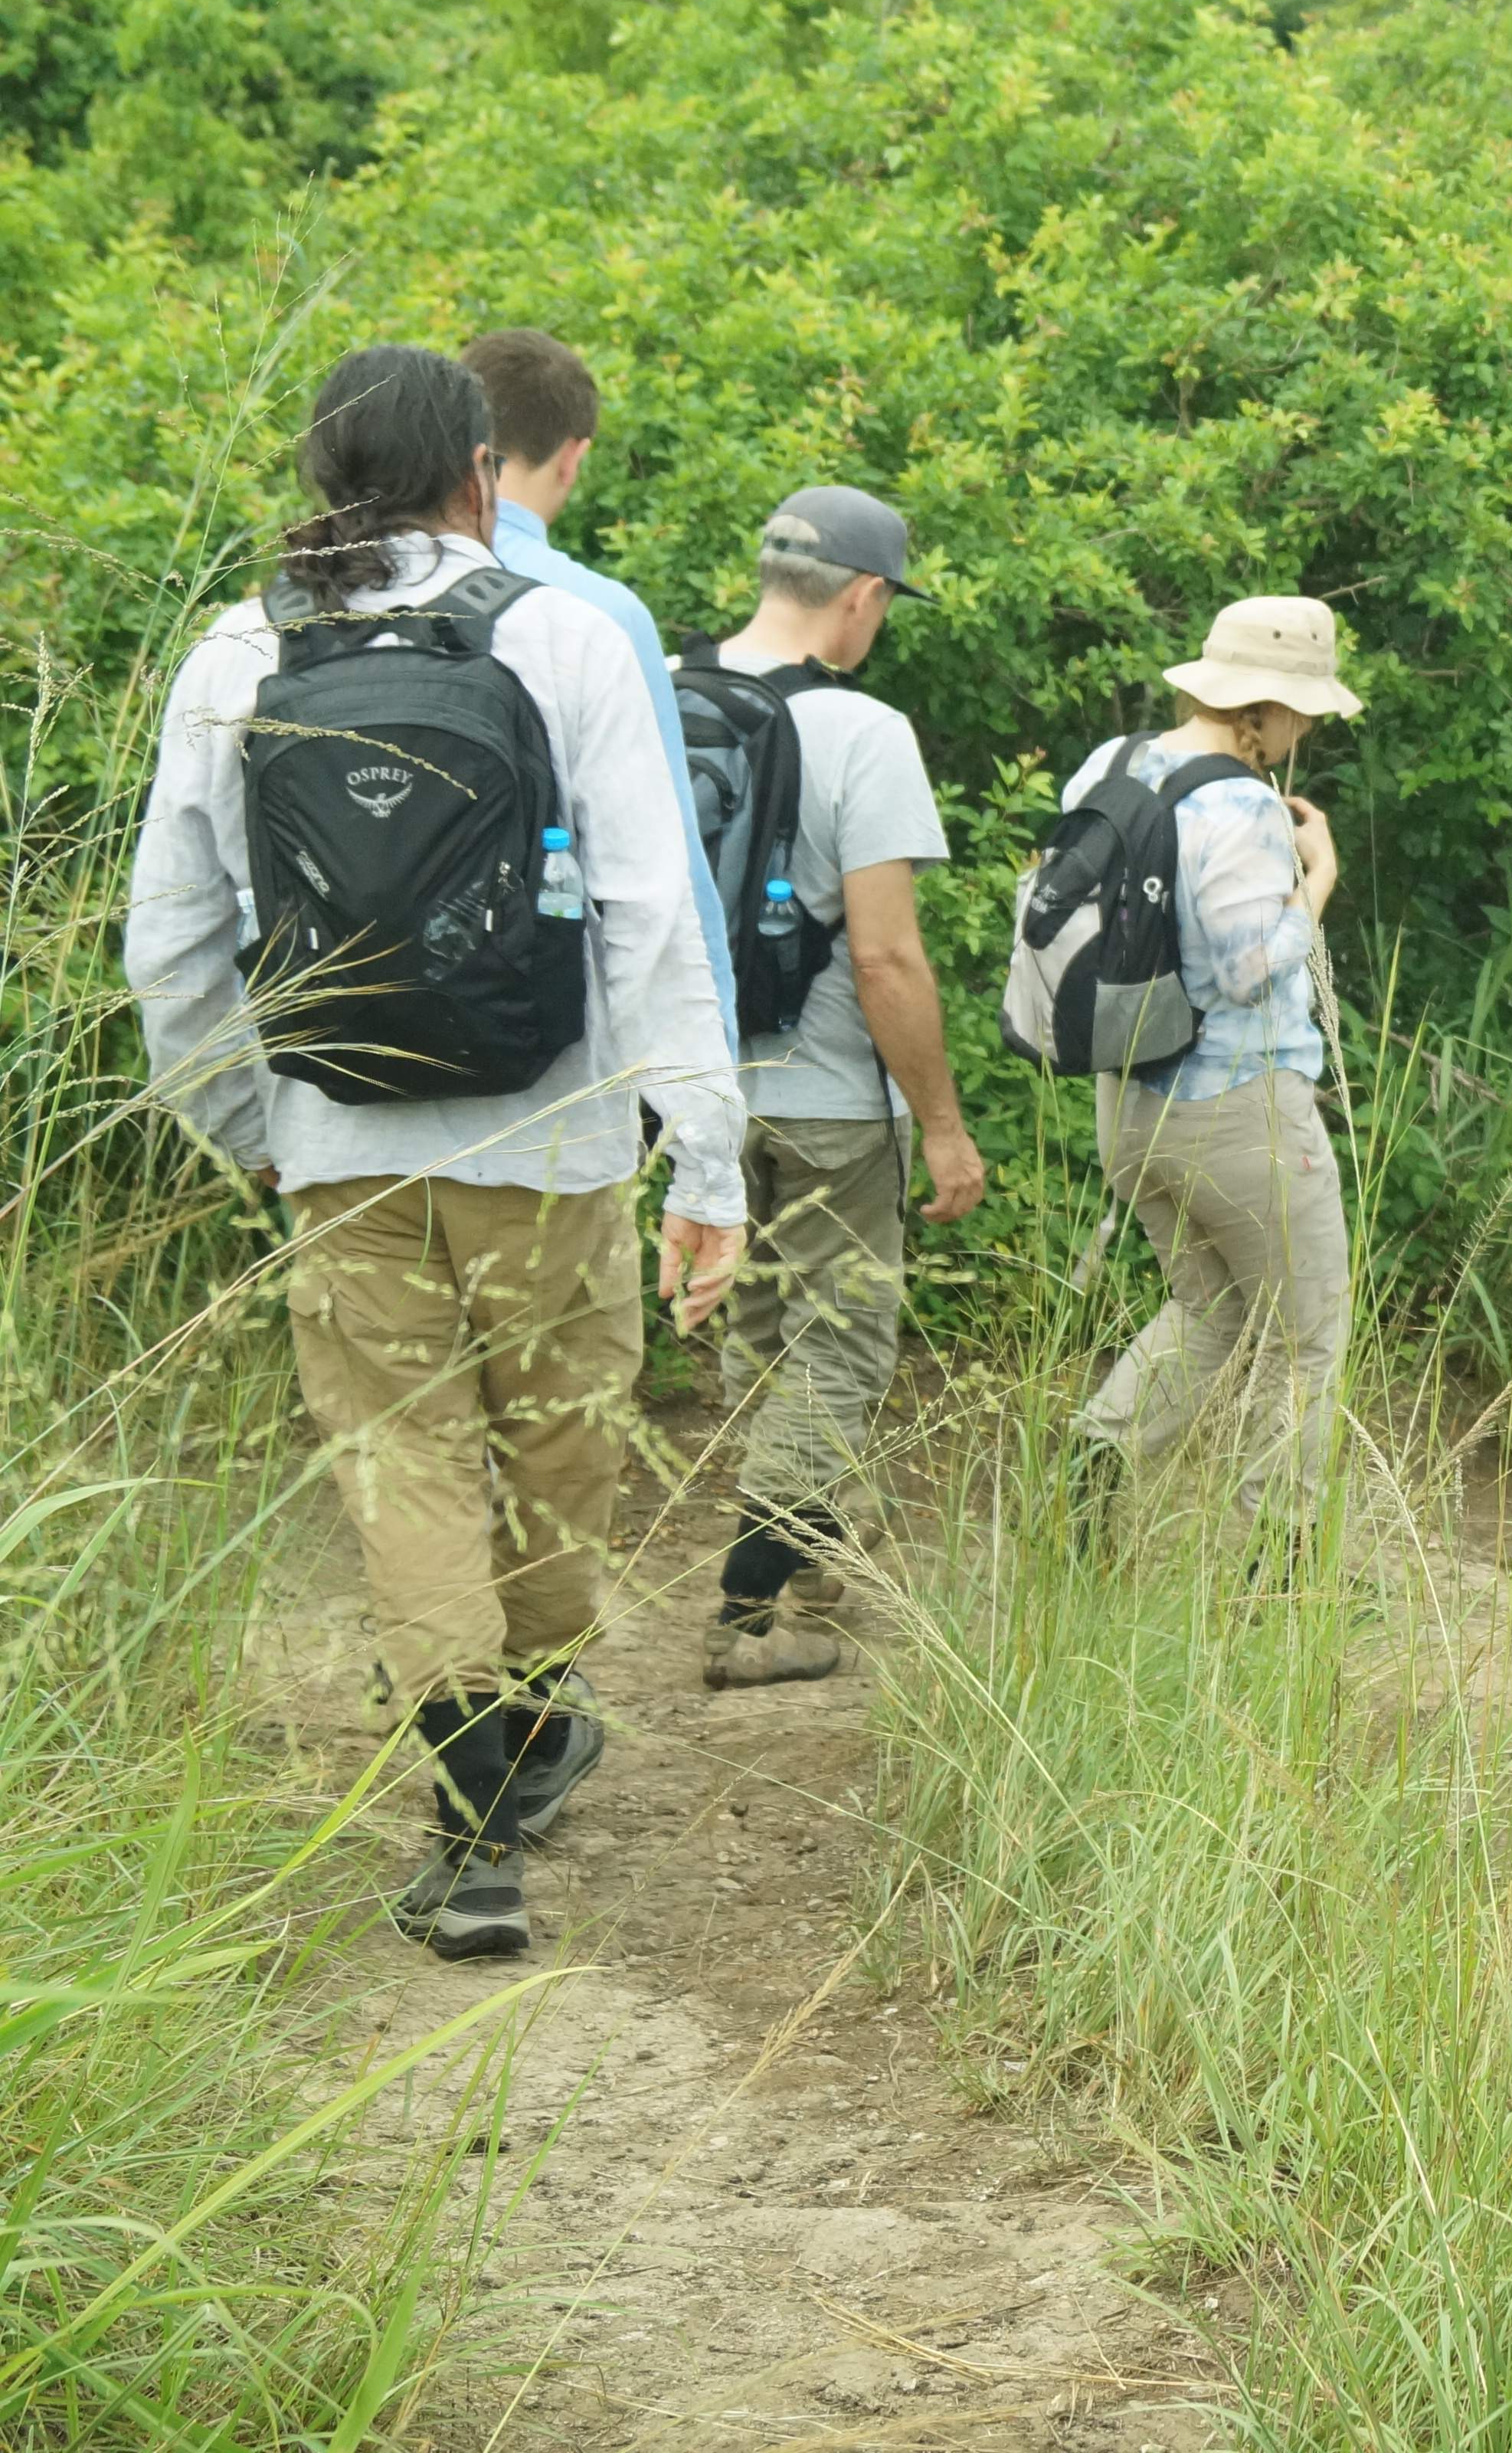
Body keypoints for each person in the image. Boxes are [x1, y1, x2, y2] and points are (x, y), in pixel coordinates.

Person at [124, 343, 745, 1961]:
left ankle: (475, 1834)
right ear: (482, 466)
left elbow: (171, 942)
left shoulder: (234, 652)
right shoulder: (561, 632)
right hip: (550, 1130)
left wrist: (255, 1129)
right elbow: (648, 910)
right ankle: (522, 1740)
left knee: (404, 1468)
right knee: (556, 1451)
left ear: (324, 470)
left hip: (338, 1137)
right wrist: (707, 1157)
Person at [689, 488, 989, 1687]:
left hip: (696, 1086)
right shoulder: (864, 733)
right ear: (861, 598)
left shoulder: (669, 690)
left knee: (760, 1327)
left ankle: (811, 1560)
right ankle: (747, 1611)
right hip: (823, 1096)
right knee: (842, 1343)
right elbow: (885, 955)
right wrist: (945, 1128)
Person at [1065, 596, 1363, 1520]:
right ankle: (1274, 1552)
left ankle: (1093, 1469)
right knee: (1308, 1335)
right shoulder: (1240, 801)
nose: (1306, 727)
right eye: (1302, 711)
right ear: (1259, 712)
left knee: (1210, 1309)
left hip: (1129, 1105)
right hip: (1238, 1111)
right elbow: (1244, 969)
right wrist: (1316, 878)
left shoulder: (1113, 765)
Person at [461, 328, 740, 1037]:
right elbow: (667, 858)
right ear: (573, 458)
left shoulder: (345, 591)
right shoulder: (603, 612)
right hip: (559, 1032)